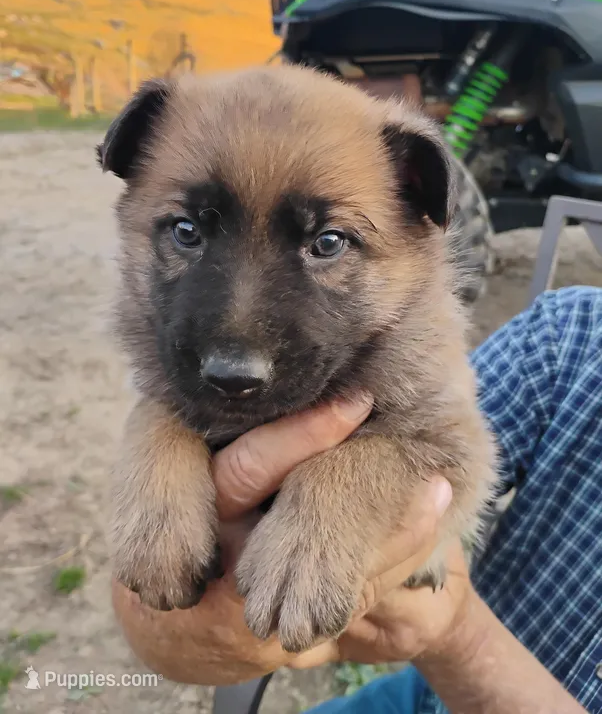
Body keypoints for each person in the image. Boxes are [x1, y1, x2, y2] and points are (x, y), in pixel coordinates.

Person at [112, 286, 602, 713]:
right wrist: (162, 442)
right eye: (187, 233)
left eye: (328, 242)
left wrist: (456, 632)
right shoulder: (573, 337)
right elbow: (454, 448)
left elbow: (449, 460)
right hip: (417, 698)